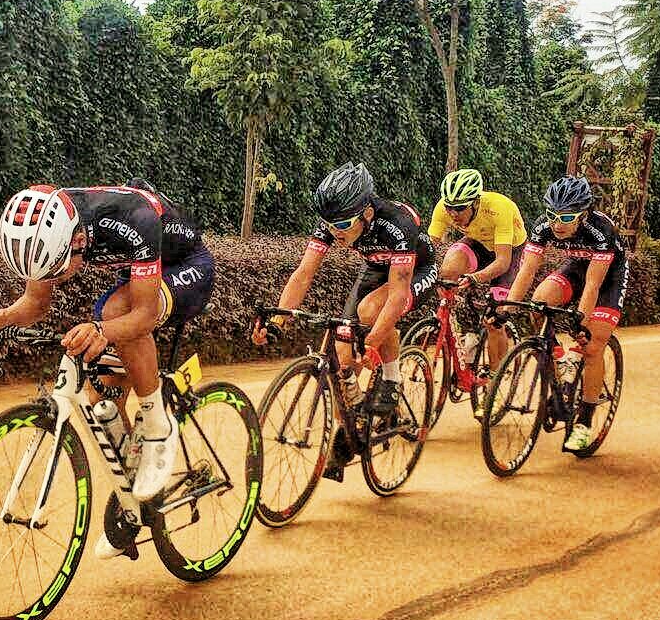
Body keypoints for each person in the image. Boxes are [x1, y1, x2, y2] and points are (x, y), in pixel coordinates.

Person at [0, 179, 214, 554]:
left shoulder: (130, 217)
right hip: (142, 271)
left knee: (111, 313)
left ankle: (158, 424)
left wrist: (102, 330)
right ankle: (133, 504)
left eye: (56, 272)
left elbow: (144, 313)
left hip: (187, 266)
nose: (52, 281)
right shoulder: (46, 228)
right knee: (101, 400)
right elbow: (35, 302)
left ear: (75, 241)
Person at [251, 162, 437, 418]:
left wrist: (371, 345)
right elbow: (304, 274)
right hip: (376, 268)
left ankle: (393, 380)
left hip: (416, 270)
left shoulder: (397, 224)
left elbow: (396, 296)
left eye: (343, 225)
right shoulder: (335, 221)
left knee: (370, 311)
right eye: (329, 225)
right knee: (343, 361)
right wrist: (278, 320)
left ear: (367, 214)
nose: (336, 233)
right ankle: (351, 429)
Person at [489, 175, 627, 454]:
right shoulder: (543, 227)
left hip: (607, 277)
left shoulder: (601, 231)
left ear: (583, 213)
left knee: (592, 345)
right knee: (540, 301)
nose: (556, 223)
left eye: (566, 217)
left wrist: (581, 320)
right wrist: (506, 310)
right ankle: (558, 358)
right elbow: (525, 271)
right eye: (552, 215)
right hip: (577, 267)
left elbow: (593, 284)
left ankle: (585, 422)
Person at [426, 167, 529, 386]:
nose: (453, 214)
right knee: (448, 270)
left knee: (494, 319)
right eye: (449, 207)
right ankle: (462, 333)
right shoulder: (443, 209)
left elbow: (502, 262)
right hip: (479, 244)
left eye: (460, 208)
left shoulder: (498, 208)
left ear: (474, 202)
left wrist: (475, 277)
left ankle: (494, 377)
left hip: (509, 251)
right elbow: (427, 248)